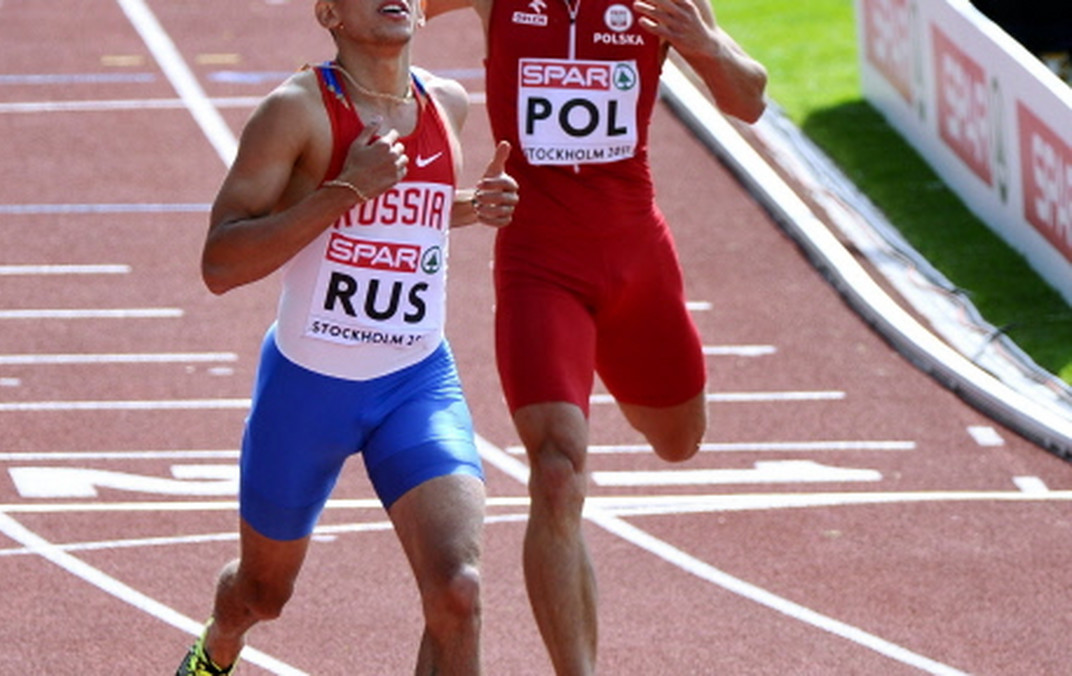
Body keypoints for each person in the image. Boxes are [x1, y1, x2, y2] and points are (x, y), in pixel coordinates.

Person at [175, 0, 518, 672]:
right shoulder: (296, 111)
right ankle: (218, 644)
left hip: (415, 381)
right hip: (307, 389)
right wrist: (343, 191)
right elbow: (220, 263)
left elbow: (403, 209)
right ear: (328, 12)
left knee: (458, 589)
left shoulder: (447, 103)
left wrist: (473, 208)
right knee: (262, 593)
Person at [424, 0, 767, 672]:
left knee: (678, 441)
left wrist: (708, 44)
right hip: (538, 262)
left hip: (635, 254)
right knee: (555, 470)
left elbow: (749, 100)